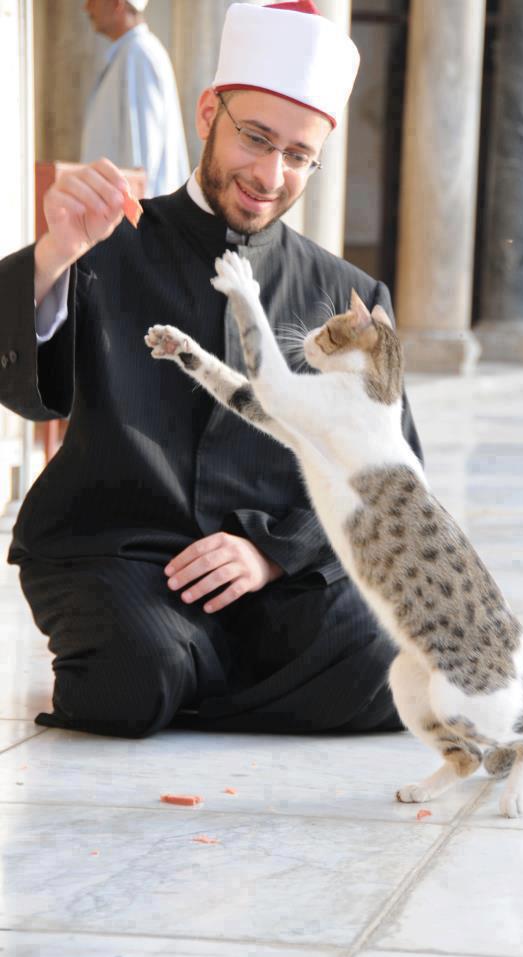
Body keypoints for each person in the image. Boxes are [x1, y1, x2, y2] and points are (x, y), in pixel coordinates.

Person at [0, 0, 423, 739]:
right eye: (255, 138)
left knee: (396, 659)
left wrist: (270, 551)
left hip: (277, 579)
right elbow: (26, 396)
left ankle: (195, 677)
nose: (269, 174)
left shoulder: (347, 298)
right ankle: (184, 671)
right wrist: (51, 258)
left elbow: (390, 473)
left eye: (298, 155)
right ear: (208, 114)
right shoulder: (105, 245)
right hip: (119, 553)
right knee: (136, 676)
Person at [81, 0, 189, 197]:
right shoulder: (132, 52)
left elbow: (141, 161)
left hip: (136, 218)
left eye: (93, 0)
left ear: (116, 4)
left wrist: (134, 224)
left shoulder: (139, 54)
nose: (87, 8)